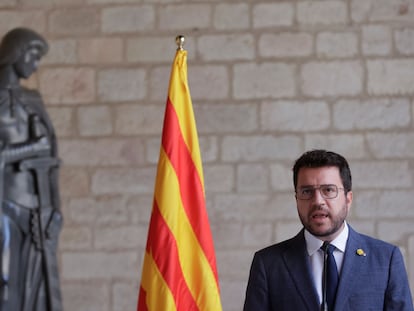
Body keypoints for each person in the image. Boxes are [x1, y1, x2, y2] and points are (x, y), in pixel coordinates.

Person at [243, 149, 413, 311]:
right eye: (307, 191)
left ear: (348, 198)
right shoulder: (268, 264)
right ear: (296, 199)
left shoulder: (385, 259)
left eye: (328, 190)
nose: (318, 201)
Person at [0, 28, 63, 311]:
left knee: (37, 292)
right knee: (6, 286)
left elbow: (51, 158)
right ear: (15, 54)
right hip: (5, 208)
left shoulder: (33, 99)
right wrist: (29, 148)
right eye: (32, 55)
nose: (36, 64)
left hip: (38, 207)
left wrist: (56, 207)